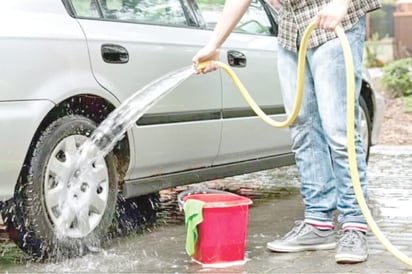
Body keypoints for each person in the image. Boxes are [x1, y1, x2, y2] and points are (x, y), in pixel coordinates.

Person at [192, 0, 381, 264]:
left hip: (335, 20)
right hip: (292, 30)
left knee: (338, 131)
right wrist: (214, 44)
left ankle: (354, 226)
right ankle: (318, 224)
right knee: (302, 127)